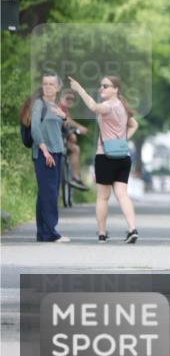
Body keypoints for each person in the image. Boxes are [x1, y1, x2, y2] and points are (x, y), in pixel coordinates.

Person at [68, 75, 140, 243]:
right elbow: (134, 124)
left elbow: (93, 106)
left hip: (105, 156)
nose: (102, 88)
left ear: (116, 89)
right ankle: (132, 228)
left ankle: (101, 233)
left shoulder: (108, 106)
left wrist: (79, 89)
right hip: (123, 156)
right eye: (101, 85)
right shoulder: (122, 106)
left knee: (102, 197)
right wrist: (123, 140)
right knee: (122, 195)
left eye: (106, 86)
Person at [23, 72, 71, 242]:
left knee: (46, 193)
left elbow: (62, 130)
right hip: (45, 155)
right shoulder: (39, 104)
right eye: (45, 83)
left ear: (58, 87)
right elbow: (35, 129)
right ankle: (51, 233)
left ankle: (43, 233)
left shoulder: (55, 105)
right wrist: (44, 151)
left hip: (56, 152)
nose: (48, 86)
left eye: (52, 84)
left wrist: (63, 116)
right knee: (49, 193)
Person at [59, 89, 90, 190]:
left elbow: (67, 122)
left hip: (59, 139)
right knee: (75, 149)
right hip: (55, 141)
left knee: (73, 140)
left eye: (72, 99)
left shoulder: (65, 109)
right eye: (67, 98)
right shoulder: (60, 107)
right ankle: (75, 177)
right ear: (61, 97)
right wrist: (80, 127)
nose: (70, 101)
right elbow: (67, 121)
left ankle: (73, 176)